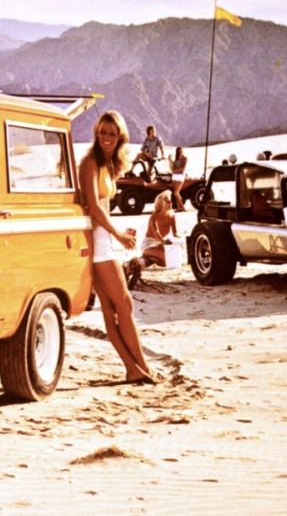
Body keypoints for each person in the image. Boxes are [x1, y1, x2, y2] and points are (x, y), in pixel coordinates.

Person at [79, 111, 155, 384]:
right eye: (103, 132)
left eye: (112, 133)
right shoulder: (89, 163)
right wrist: (118, 234)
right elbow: (94, 207)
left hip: (105, 238)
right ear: (96, 134)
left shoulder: (110, 164)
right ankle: (141, 367)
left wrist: (119, 233)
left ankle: (134, 369)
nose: (107, 137)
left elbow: (106, 207)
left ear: (120, 135)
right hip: (97, 241)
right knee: (124, 304)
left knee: (113, 310)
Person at [141, 191, 180, 267]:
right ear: (161, 204)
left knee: (171, 257)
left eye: (170, 202)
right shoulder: (154, 217)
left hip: (161, 243)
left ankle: (152, 259)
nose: (170, 203)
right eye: (167, 202)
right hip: (149, 243)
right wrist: (164, 242)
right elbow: (156, 233)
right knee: (166, 258)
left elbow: (175, 233)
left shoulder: (172, 217)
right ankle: (151, 257)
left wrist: (180, 241)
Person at [168, 147, 188, 211]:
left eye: (181, 151)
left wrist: (175, 171)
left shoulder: (185, 158)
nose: (180, 152)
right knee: (176, 193)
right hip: (175, 176)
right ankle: (178, 207)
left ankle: (182, 207)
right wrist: (170, 161)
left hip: (180, 176)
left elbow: (183, 169)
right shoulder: (176, 160)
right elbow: (173, 168)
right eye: (178, 151)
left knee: (176, 192)